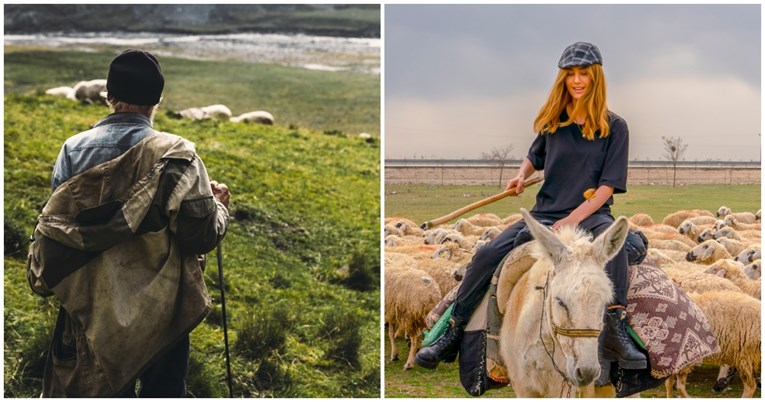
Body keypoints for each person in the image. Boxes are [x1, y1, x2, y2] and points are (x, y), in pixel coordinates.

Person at [415, 42, 647, 372]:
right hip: (544, 215)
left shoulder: (615, 127)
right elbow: (534, 156)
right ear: (562, 79)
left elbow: (605, 190)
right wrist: (520, 175)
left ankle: (617, 328)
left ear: (596, 78)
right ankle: (452, 332)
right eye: (571, 75)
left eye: (584, 75)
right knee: (485, 254)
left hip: (591, 216)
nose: (577, 81)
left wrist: (571, 220)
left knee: (617, 253)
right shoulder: (553, 122)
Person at [27, 49, 230, 397]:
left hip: (90, 305)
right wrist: (220, 209)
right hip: (161, 311)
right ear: (158, 100)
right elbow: (199, 236)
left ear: (109, 96)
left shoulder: (72, 150)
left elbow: (60, 223)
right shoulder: (178, 156)